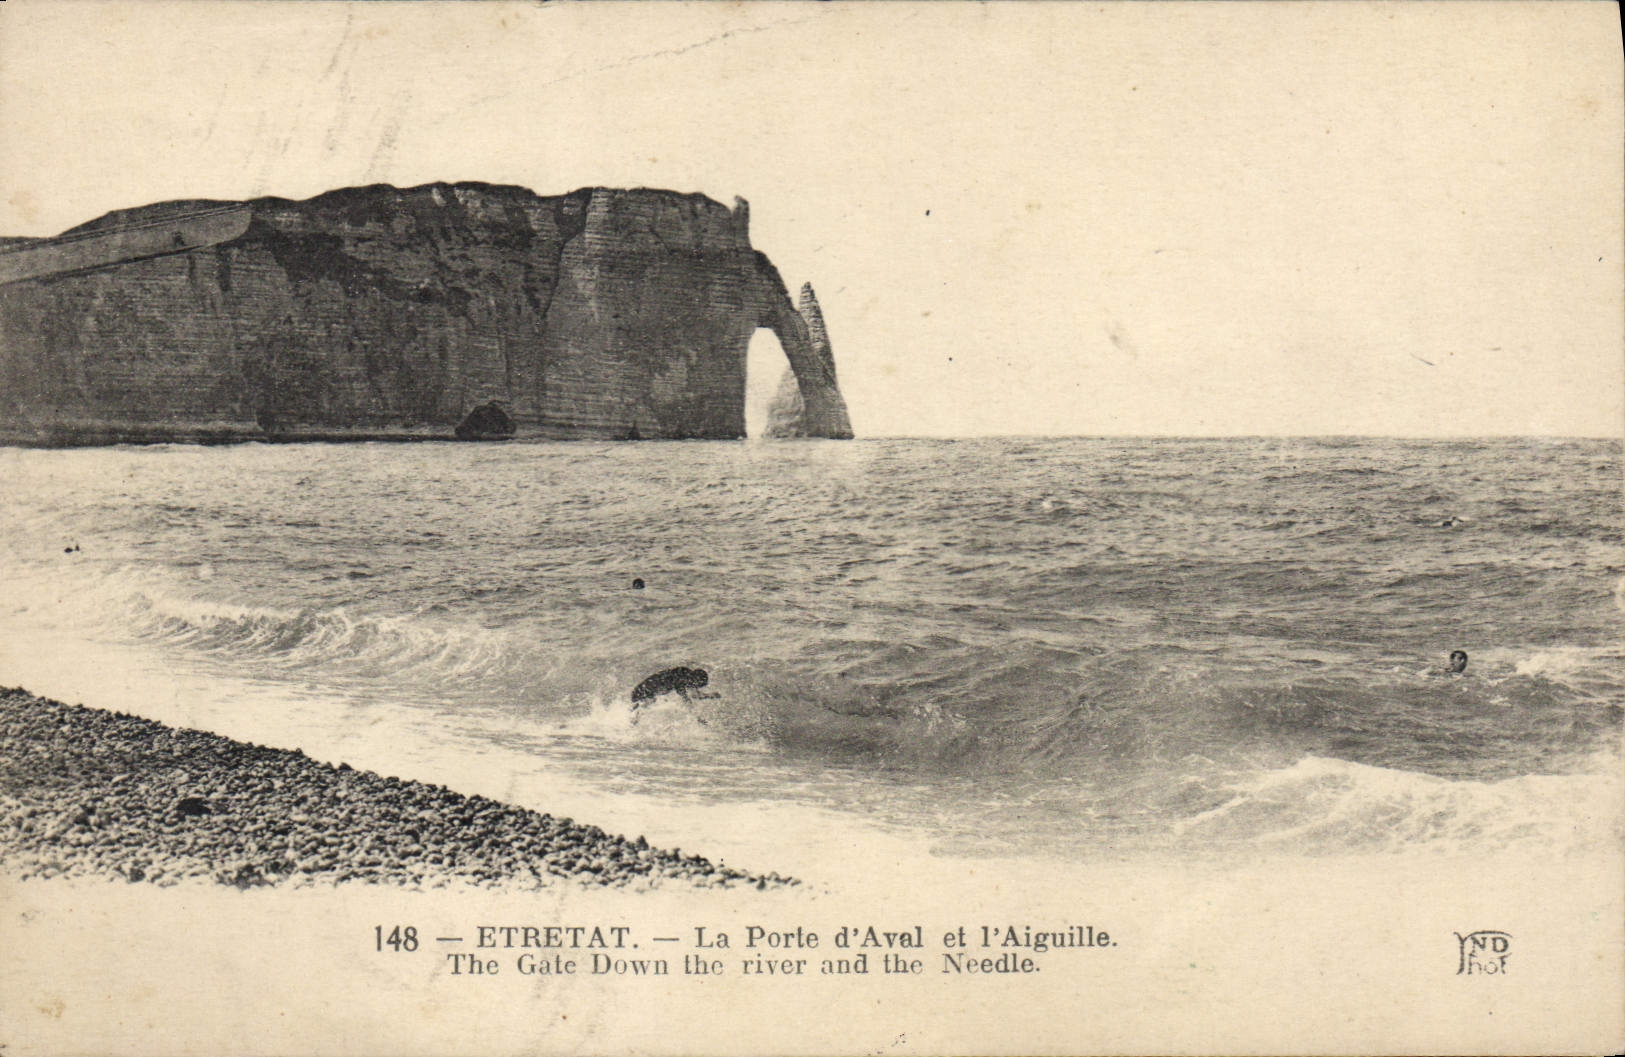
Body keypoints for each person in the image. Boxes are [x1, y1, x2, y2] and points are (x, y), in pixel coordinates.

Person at [630, 666, 717, 721]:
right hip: (641, 691)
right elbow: (687, 701)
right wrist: (698, 718)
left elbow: (695, 695)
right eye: (696, 685)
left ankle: (632, 713)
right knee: (649, 702)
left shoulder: (685, 673)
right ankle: (633, 716)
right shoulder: (681, 681)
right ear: (694, 680)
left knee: (648, 702)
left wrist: (709, 695)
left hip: (642, 689)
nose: (695, 687)